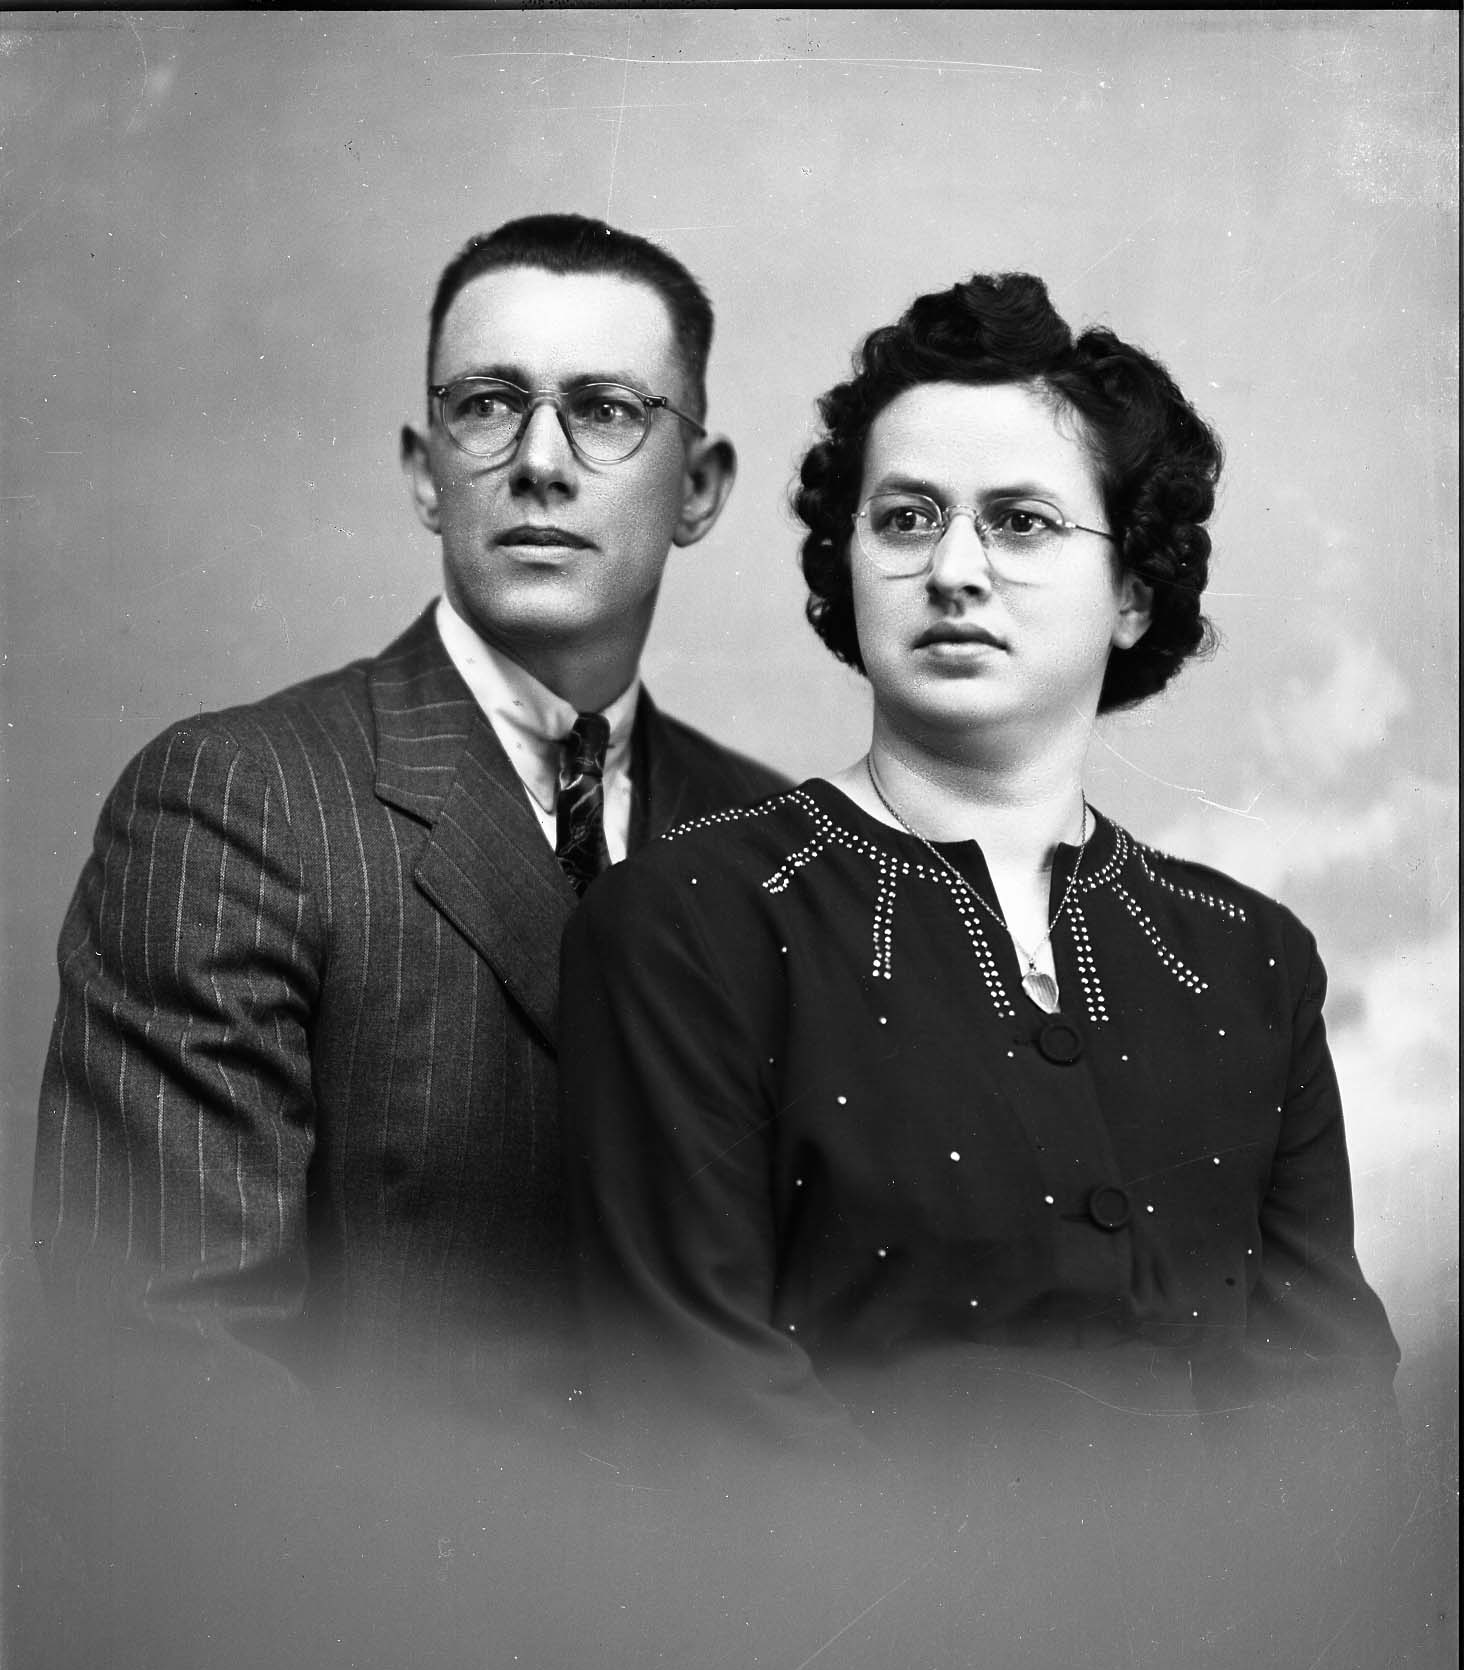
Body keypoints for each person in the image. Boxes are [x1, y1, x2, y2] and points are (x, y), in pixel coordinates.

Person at [558, 270, 1399, 1456]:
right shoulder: (687, 924)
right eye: (907, 518)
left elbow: (1327, 1408)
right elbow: (699, 1403)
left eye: (1021, 520)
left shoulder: (1250, 958)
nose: (954, 569)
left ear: (1132, 593)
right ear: (849, 564)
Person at [32, 213, 784, 1408]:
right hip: (366, 1532)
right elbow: (163, 1371)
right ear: (426, 473)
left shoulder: (777, 840)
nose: (540, 461)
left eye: (605, 409)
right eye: (487, 404)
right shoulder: (241, 800)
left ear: (698, 488)